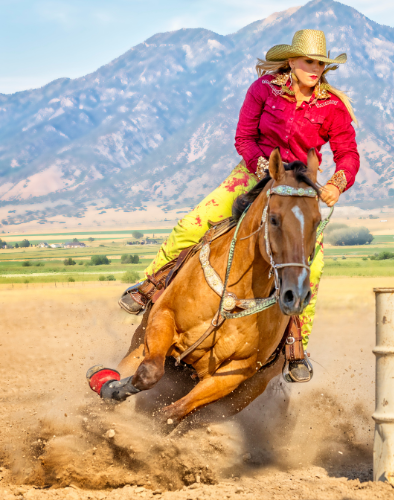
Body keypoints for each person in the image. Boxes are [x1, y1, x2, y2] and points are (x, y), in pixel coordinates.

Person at [118, 29, 360, 382]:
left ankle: (295, 346)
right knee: (191, 226)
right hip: (254, 172)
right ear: (291, 60)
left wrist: (338, 183)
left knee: (314, 267)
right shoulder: (263, 90)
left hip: (301, 187)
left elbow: (347, 152)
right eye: (309, 61)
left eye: (320, 63)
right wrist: (261, 166)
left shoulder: (332, 107)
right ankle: (150, 287)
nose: (315, 68)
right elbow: (244, 137)